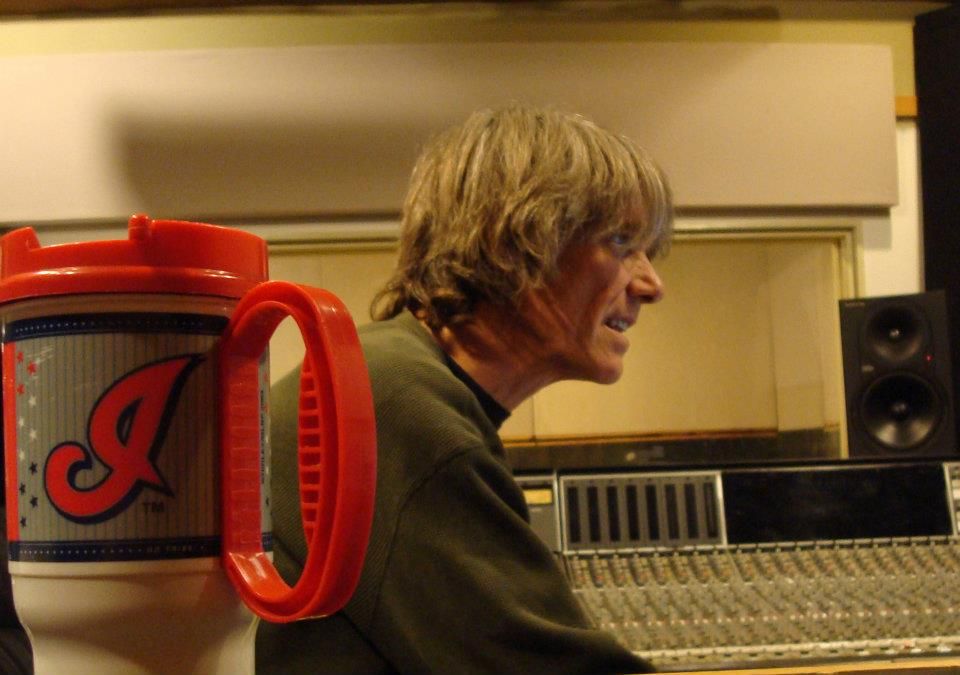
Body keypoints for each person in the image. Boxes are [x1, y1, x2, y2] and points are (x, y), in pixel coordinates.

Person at [256, 103, 673, 674]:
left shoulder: (395, 377)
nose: (652, 285)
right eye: (623, 242)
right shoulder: (398, 408)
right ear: (517, 240)